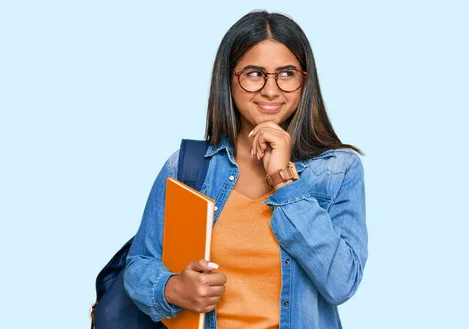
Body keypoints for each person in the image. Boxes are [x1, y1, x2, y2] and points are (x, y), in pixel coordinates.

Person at [123, 10, 367, 329]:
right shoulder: (188, 167)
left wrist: (284, 180)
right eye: (254, 73)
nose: (270, 89)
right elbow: (139, 265)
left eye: (287, 73)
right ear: (229, 78)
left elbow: (341, 283)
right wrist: (172, 289)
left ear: (304, 80)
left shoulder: (338, 169)